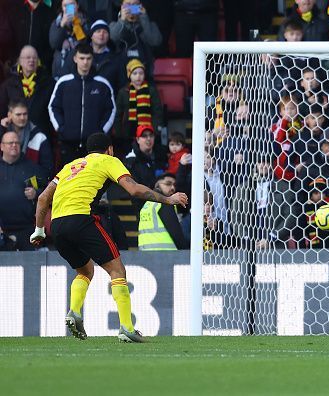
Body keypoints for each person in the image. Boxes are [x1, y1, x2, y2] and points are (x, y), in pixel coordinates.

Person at [30, 133, 188, 342]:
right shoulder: (109, 160)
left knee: (85, 270)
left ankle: (75, 311)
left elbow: (42, 198)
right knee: (117, 270)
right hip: (82, 219)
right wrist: (168, 199)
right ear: (110, 149)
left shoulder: (70, 166)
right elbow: (133, 189)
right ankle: (126, 328)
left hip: (58, 225)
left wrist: (39, 229)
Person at [48, 43, 115, 167]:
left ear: (92, 59)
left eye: (88, 58)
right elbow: (53, 107)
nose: (85, 62)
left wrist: (101, 131)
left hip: (94, 146)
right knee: (68, 181)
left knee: (92, 182)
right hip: (68, 143)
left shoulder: (102, 84)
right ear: (75, 59)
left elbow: (110, 109)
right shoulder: (63, 82)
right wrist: (61, 128)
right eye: (82, 58)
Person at [0, 132, 47, 251]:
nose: (14, 145)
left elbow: (47, 189)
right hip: (1, 230)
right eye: (10, 143)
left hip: (27, 229)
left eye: (17, 143)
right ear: (2, 146)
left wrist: (36, 192)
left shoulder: (31, 168)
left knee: (31, 266)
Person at [0, 45, 55, 135]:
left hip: (40, 135)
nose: (31, 60)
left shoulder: (49, 83)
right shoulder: (8, 85)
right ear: (20, 61)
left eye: (34, 58)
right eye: (28, 57)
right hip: (14, 136)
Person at [109, 0, 162, 76]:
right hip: (120, 73)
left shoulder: (149, 25)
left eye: (134, 5)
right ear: (121, 7)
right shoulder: (113, 25)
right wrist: (122, 20)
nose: (131, 7)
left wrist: (144, 17)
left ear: (140, 6)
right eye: (128, 5)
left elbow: (155, 41)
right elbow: (112, 39)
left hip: (143, 73)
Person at [0, 100, 53, 176]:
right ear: (9, 115)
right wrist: (1, 129)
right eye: (18, 114)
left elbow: (47, 169)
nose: (22, 118)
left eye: (25, 114)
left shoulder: (39, 137)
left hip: (29, 182)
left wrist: (36, 187)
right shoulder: (3, 132)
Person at [138, 173, 188, 250]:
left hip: (145, 252)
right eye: (168, 184)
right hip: (166, 253)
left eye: (174, 185)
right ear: (157, 185)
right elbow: (175, 232)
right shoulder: (166, 203)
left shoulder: (146, 205)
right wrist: (184, 251)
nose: (172, 188)